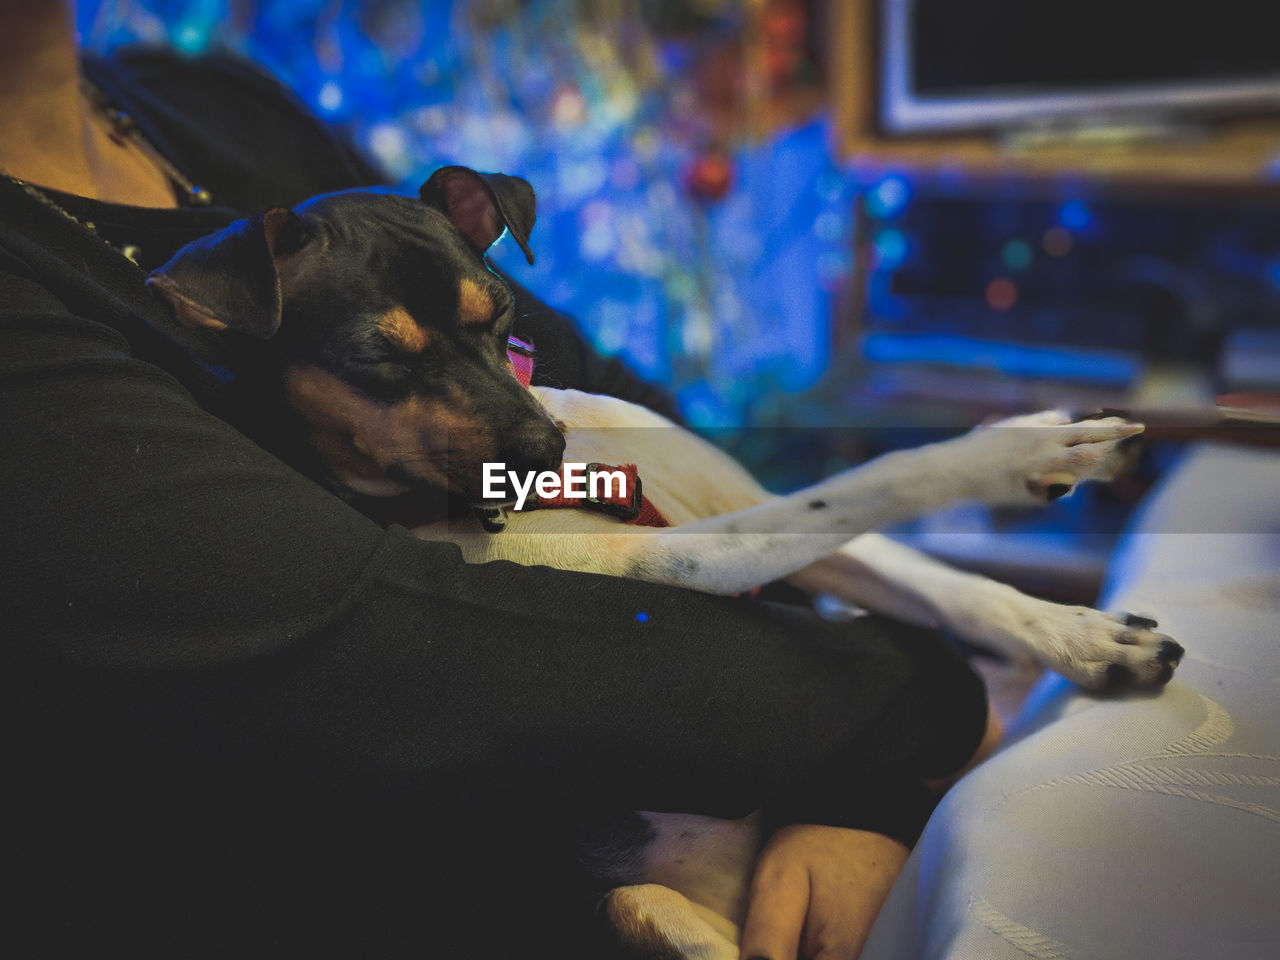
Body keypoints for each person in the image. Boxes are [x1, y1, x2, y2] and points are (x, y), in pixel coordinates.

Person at [0, 4, 994, 958]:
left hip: (708, 803)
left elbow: (602, 400)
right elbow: (391, 647)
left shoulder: (216, 102)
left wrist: (845, 791)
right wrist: (902, 706)